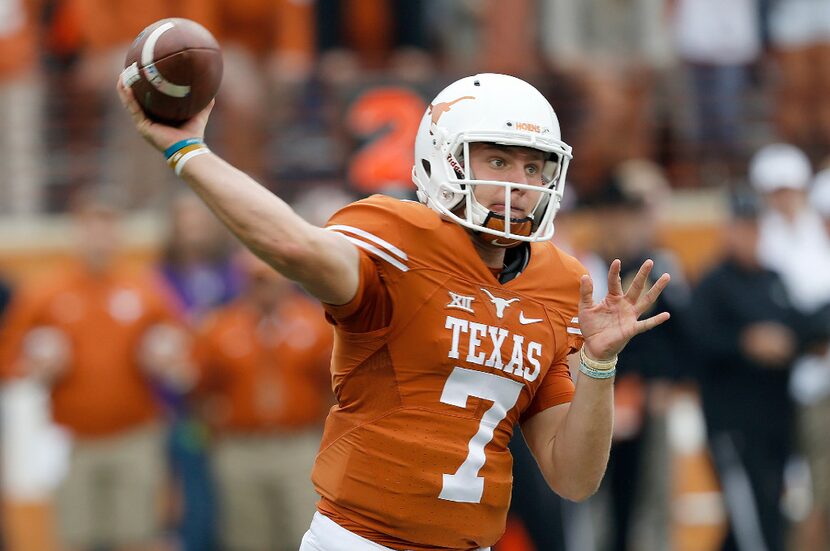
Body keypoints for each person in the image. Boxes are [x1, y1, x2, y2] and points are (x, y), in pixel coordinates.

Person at [117, 72, 671, 551]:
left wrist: (599, 365)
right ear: (444, 157)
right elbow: (294, 246)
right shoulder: (397, 238)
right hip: (360, 540)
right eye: (499, 159)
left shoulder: (560, 281)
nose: (520, 185)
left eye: (534, 167)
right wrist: (190, 153)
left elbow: (573, 478)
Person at [0, 192, 189, 551]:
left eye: (107, 229)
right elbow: (8, 359)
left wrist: (164, 361)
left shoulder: (145, 288)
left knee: (138, 535)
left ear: (118, 235)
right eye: (91, 229)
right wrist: (36, 366)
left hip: (135, 435)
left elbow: (183, 350)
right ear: (77, 233)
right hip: (72, 440)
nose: (99, 238)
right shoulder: (46, 291)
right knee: (75, 537)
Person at [688, 187, 810, 551]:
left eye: (754, 227)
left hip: (776, 419)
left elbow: (800, 326)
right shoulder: (712, 285)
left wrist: (789, 342)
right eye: (741, 227)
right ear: (727, 230)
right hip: (733, 425)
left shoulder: (774, 279)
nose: (749, 235)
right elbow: (698, 343)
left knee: (768, 513)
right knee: (751, 521)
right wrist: (745, 342)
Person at [192, 249, 333, 551]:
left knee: (303, 533)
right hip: (241, 446)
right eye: (257, 280)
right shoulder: (220, 326)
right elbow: (201, 388)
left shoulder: (315, 322)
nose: (265, 287)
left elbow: (335, 387)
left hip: (298, 445)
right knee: (247, 538)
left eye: (270, 279)